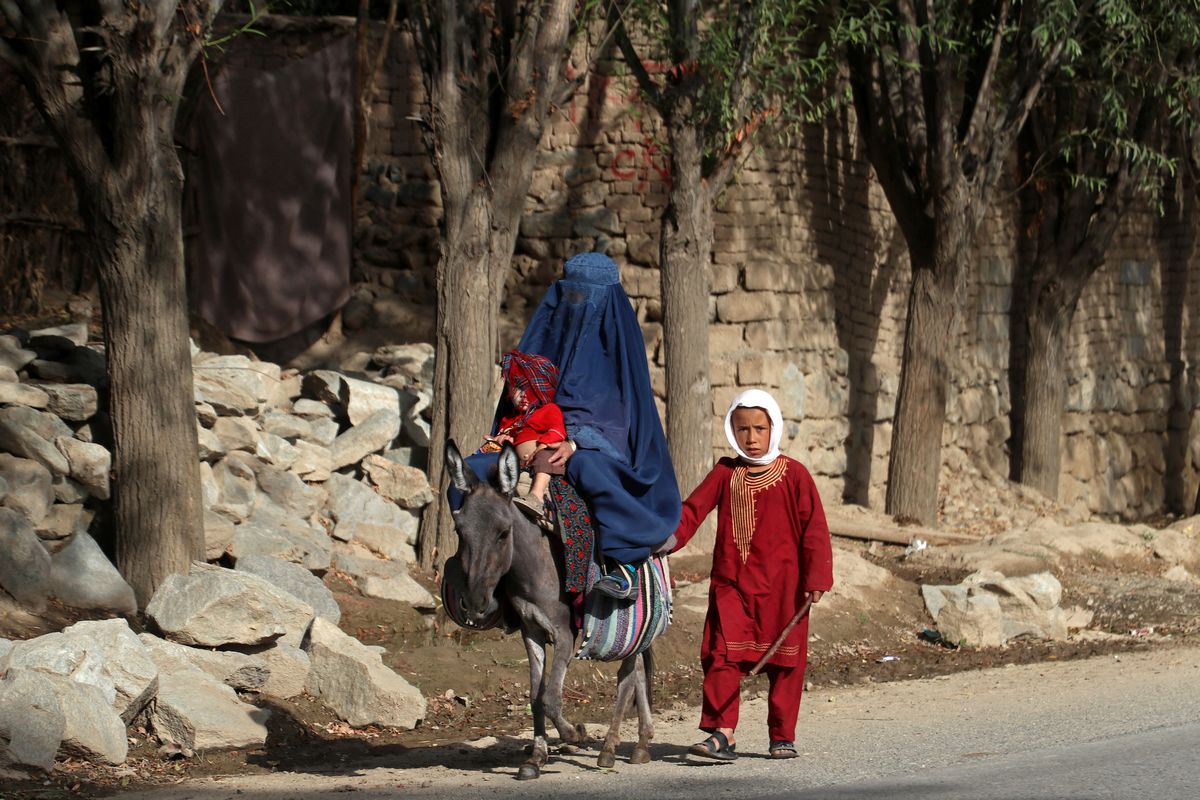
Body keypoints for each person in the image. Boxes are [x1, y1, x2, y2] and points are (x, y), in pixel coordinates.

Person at [451, 252, 682, 600]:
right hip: (531, 440)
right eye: (571, 295)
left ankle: (622, 565)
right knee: (473, 468)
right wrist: (512, 437)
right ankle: (473, 560)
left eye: (586, 297)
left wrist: (574, 443)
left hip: (596, 447)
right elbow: (523, 397)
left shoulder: (617, 348)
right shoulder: (548, 335)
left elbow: (619, 417)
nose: (578, 305)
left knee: (588, 468)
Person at [669, 388, 834, 761]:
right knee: (721, 655)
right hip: (733, 586)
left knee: (786, 662)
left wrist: (818, 579)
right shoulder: (726, 472)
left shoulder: (795, 475)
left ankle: (781, 735)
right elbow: (691, 512)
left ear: (774, 428)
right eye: (742, 428)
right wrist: (663, 540)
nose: (752, 437)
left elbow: (814, 530)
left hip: (785, 589)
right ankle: (721, 733)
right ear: (731, 430)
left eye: (760, 428)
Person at [479, 349, 566, 525]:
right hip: (520, 463)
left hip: (542, 456)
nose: (524, 395)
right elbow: (509, 436)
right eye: (518, 388)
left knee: (547, 455)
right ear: (509, 391)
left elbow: (557, 431)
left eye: (531, 389)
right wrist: (503, 441)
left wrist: (542, 445)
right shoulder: (510, 418)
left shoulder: (548, 410)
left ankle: (537, 495)